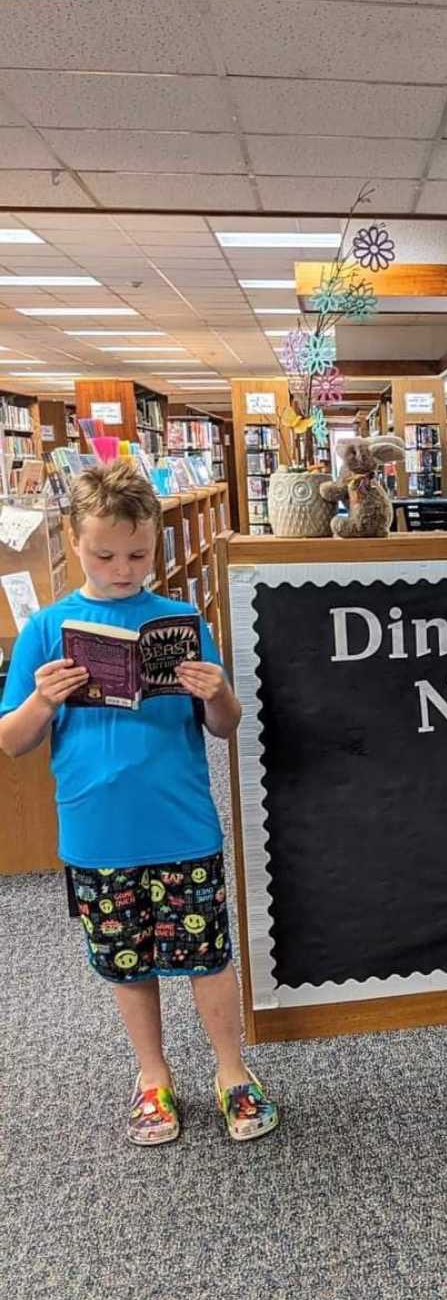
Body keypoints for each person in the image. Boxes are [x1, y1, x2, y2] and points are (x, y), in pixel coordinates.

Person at [0, 462, 278, 1147]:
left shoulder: (181, 622)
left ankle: (231, 1068)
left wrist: (217, 691)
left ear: (155, 544)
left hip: (182, 825)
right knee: (128, 963)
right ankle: (152, 1074)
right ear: (72, 542)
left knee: (208, 956)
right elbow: (12, 741)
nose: (123, 570)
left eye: (138, 554)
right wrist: (43, 699)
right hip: (97, 834)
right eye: (104, 556)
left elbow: (225, 725)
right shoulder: (47, 631)